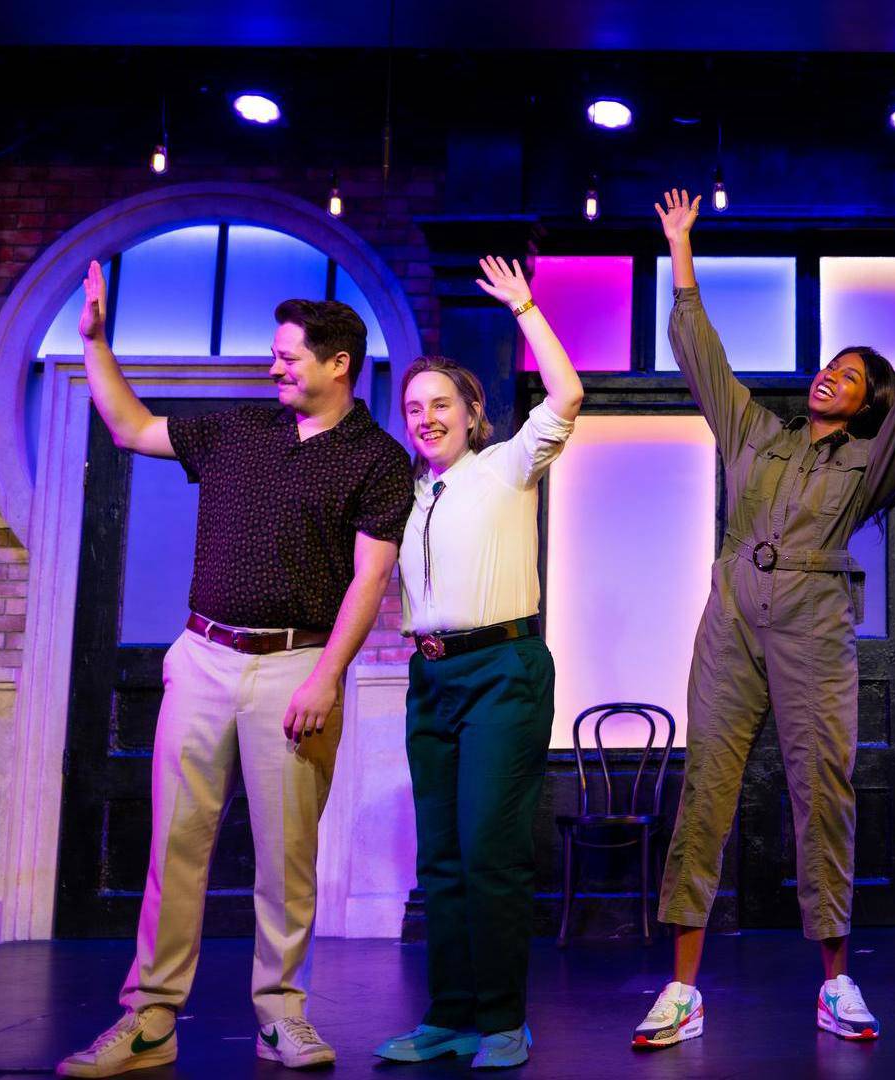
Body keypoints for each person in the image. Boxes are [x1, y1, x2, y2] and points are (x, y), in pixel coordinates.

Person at [634, 189, 895, 1049]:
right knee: (707, 784)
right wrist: (679, 248)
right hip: (731, 617)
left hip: (814, 622)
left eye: (852, 376)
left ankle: (834, 982)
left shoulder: (871, 460)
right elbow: (702, 355)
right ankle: (681, 989)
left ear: (865, 403)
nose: (832, 376)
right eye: (830, 366)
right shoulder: (756, 433)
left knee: (820, 788)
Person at [57, 263, 411, 1077]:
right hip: (204, 655)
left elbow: (370, 578)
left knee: (287, 855)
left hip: (296, 664)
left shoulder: (378, 460)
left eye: (289, 356)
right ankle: (149, 1019)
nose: (274, 366)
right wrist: (96, 342)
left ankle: (281, 1016)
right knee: (175, 842)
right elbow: (129, 428)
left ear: (338, 364)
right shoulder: (236, 431)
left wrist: (328, 676)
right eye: (275, 353)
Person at [370, 257, 585, 1070]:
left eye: (440, 405)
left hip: (502, 669)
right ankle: (450, 1016)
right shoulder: (411, 495)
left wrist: (525, 306)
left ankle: (502, 1019)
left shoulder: (505, 468)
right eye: (414, 407)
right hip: (431, 678)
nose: (426, 418)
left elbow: (565, 398)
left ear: (472, 415)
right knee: (442, 858)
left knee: (490, 849)